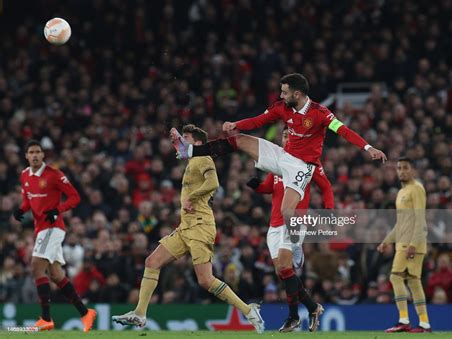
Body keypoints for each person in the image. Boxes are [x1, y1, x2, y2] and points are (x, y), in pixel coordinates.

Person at [171, 73, 385, 241]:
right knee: (241, 139)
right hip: (283, 156)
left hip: (302, 167)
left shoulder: (321, 113)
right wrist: (237, 124)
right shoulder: (282, 108)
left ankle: (295, 245)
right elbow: (259, 120)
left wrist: (368, 148)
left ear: (297, 94)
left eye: (284, 92)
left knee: (286, 211)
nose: (281, 96)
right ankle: (188, 151)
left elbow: (344, 130)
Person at [112, 125, 264, 333]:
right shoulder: (193, 161)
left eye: (186, 137)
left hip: (201, 225)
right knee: (152, 261)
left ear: (198, 142)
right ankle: (139, 313)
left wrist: (192, 197)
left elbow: (214, 182)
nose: (183, 140)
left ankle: (248, 311)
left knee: (205, 280)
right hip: (186, 227)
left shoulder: (203, 158)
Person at [12, 140, 96, 332]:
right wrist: (20, 209)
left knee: (36, 266)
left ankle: (46, 318)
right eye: (31, 152)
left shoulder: (54, 175)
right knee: (57, 275)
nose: (34, 155)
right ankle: (85, 313)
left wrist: (58, 210)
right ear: (26, 156)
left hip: (53, 227)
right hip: (40, 228)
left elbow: (75, 197)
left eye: (37, 152)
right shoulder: (24, 175)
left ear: (43, 155)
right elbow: (28, 199)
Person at [247, 126, 324, 332]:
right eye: (284, 135)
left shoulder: (306, 163)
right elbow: (269, 187)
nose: (287, 138)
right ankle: (312, 307)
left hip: (294, 221)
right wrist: (257, 186)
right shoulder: (277, 164)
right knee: (282, 271)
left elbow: (325, 186)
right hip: (274, 223)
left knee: (284, 266)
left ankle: (293, 316)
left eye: (291, 135)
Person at [377, 157, 432, 333]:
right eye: (399, 168)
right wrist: (387, 240)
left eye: (405, 168)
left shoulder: (416, 189)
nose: (401, 171)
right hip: (402, 242)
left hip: (411, 244)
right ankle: (424, 323)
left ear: (413, 170)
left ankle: (404, 320)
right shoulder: (402, 192)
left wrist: (414, 243)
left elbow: (420, 217)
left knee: (395, 277)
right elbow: (400, 223)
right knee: (414, 282)